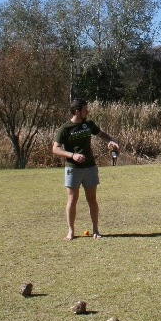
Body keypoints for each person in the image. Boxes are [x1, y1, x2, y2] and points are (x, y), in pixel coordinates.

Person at [52, 99, 120, 241]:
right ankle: (71, 232)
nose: (87, 112)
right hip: (73, 169)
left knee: (92, 199)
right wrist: (73, 155)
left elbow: (101, 134)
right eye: (85, 110)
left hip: (90, 167)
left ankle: (96, 230)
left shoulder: (88, 124)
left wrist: (110, 141)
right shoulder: (65, 128)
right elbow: (56, 148)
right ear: (77, 111)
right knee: (72, 199)